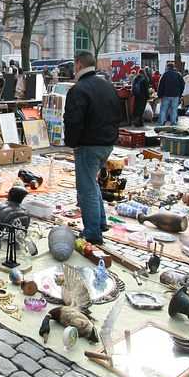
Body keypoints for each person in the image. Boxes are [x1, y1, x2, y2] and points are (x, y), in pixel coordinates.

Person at [63, 51, 122, 244]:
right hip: (106, 142)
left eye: (74, 65)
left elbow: (73, 121)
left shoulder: (79, 89)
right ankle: (101, 222)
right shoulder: (107, 85)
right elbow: (118, 113)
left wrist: (72, 143)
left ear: (78, 65)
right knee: (93, 183)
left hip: (89, 144)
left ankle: (93, 233)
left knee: (86, 188)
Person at [156, 61, 184, 126]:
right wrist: (180, 94)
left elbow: (160, 86)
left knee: (163, 109)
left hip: (166, 95)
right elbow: (182, 84)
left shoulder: (164, 75)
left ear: (167, 67)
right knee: (174, 110)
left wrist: (159, 95)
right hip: (175, 95)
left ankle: (162, 123)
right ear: (173, 67)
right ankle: (173, 123)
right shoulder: (178, 75)